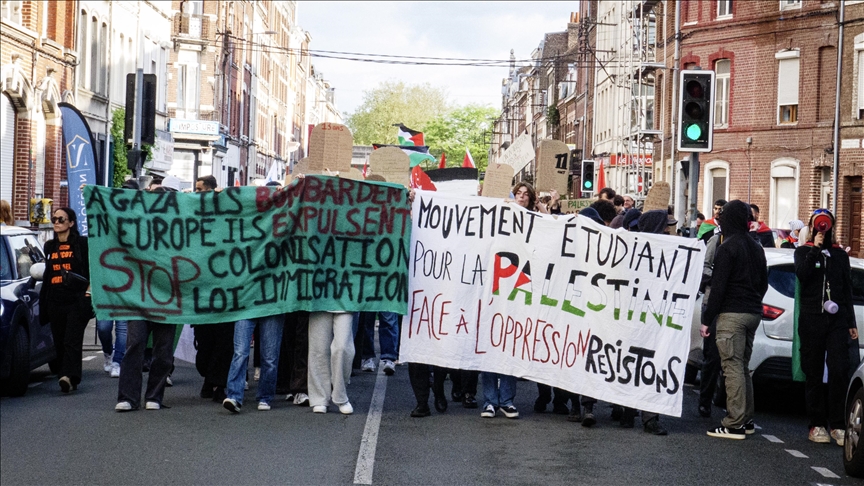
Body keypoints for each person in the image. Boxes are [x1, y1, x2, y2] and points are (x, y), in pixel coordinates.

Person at [701, 200, 768, 440]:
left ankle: (734, 423)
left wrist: (708, 319)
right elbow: (764, 283)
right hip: (753, 312)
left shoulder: (727, 246)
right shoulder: (756, 245)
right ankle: (747, 419)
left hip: (732, 313)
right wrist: (753, 301)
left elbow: (718, 288)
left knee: (731, 367)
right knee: (743, 367)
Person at [794, 209, 859, 446]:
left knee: (839, 369)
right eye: (817, 225)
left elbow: (846, 290)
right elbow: (802, 275)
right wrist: (815, 249)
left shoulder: (840, 255)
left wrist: (851, 323)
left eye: (825, 225)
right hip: (812, 318)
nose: (822, 229)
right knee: (813, 371)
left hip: (837, 320)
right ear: (811, 228)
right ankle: (816, 424)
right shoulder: (803, 252)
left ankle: (838, 425)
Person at [39, 208, 94, 393]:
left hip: (76, 300)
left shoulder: (82, 244)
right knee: (60, 340)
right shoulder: (49, 247)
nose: (56, 222)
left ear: (71, 223)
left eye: (61, 219)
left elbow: (91, 270)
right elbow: (47, 273)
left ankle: (70, 377)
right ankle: (66, 374)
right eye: (54, 219)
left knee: (72, 339)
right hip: (55, 300)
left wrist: (88, 294)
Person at [192, 177, 235, 402]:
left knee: (224, 342)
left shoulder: (227, 216)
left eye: (200, 189)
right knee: (205, 343)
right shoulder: (190, 213)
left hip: (227, 293)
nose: (195, 192)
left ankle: (218, 384)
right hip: (202, 293)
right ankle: (208, 376)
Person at [222, 314, 285, 413]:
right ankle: (234, 396)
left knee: (269, 357)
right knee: (241, 352)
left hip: (263, 306)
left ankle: (265, 396)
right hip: (252, 305)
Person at [308, 312, 355, 414]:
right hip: (320, 302)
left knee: (343, 348)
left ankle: (341, 395)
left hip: (345, 301)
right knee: (319, 348)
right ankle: (320, 398)